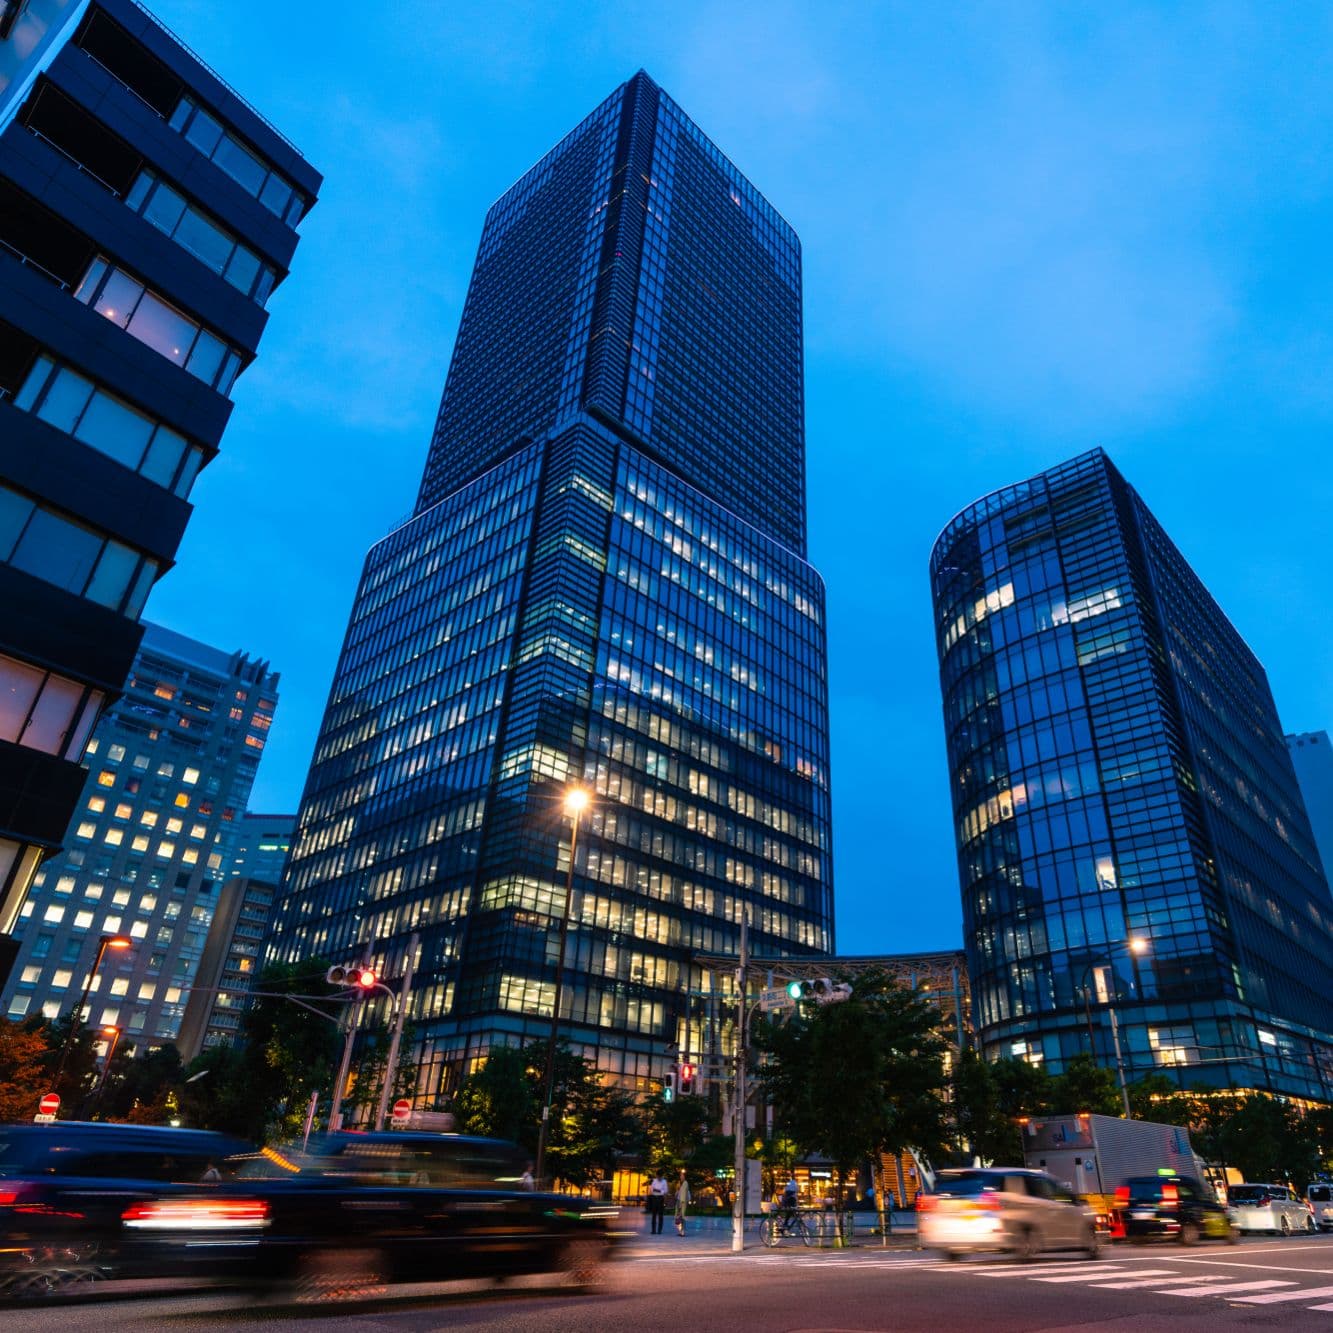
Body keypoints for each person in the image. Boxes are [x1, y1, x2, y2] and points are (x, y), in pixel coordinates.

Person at [647, 1169, 669, 1234]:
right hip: (654, 1198)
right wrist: (659, 1190)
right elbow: (651, 1190)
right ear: (657, 1176)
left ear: (662, 1176)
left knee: (660, 1215)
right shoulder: (654, 1181)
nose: (659, 1178)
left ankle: (659, 1230)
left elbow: (666, 1191)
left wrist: (658, 1190)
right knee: (653, 1215)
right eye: (658, 1177)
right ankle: (653, 1230)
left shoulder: (664, 1181)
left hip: (660, 1199)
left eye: (660, 1177)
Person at [674, 1170, 691, 1235]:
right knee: (678, 1216)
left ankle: (682, 1231)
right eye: (680, 1175)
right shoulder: (680, 1183)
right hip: (679, 1200)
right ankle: (681, 1231)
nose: (681, 1177)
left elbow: (684, 1194)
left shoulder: (685, 1183)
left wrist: (681, 1203)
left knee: (682, 1216)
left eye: (682, 1175)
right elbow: (677, 1192)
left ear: (684, 1177)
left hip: (682, 1202)